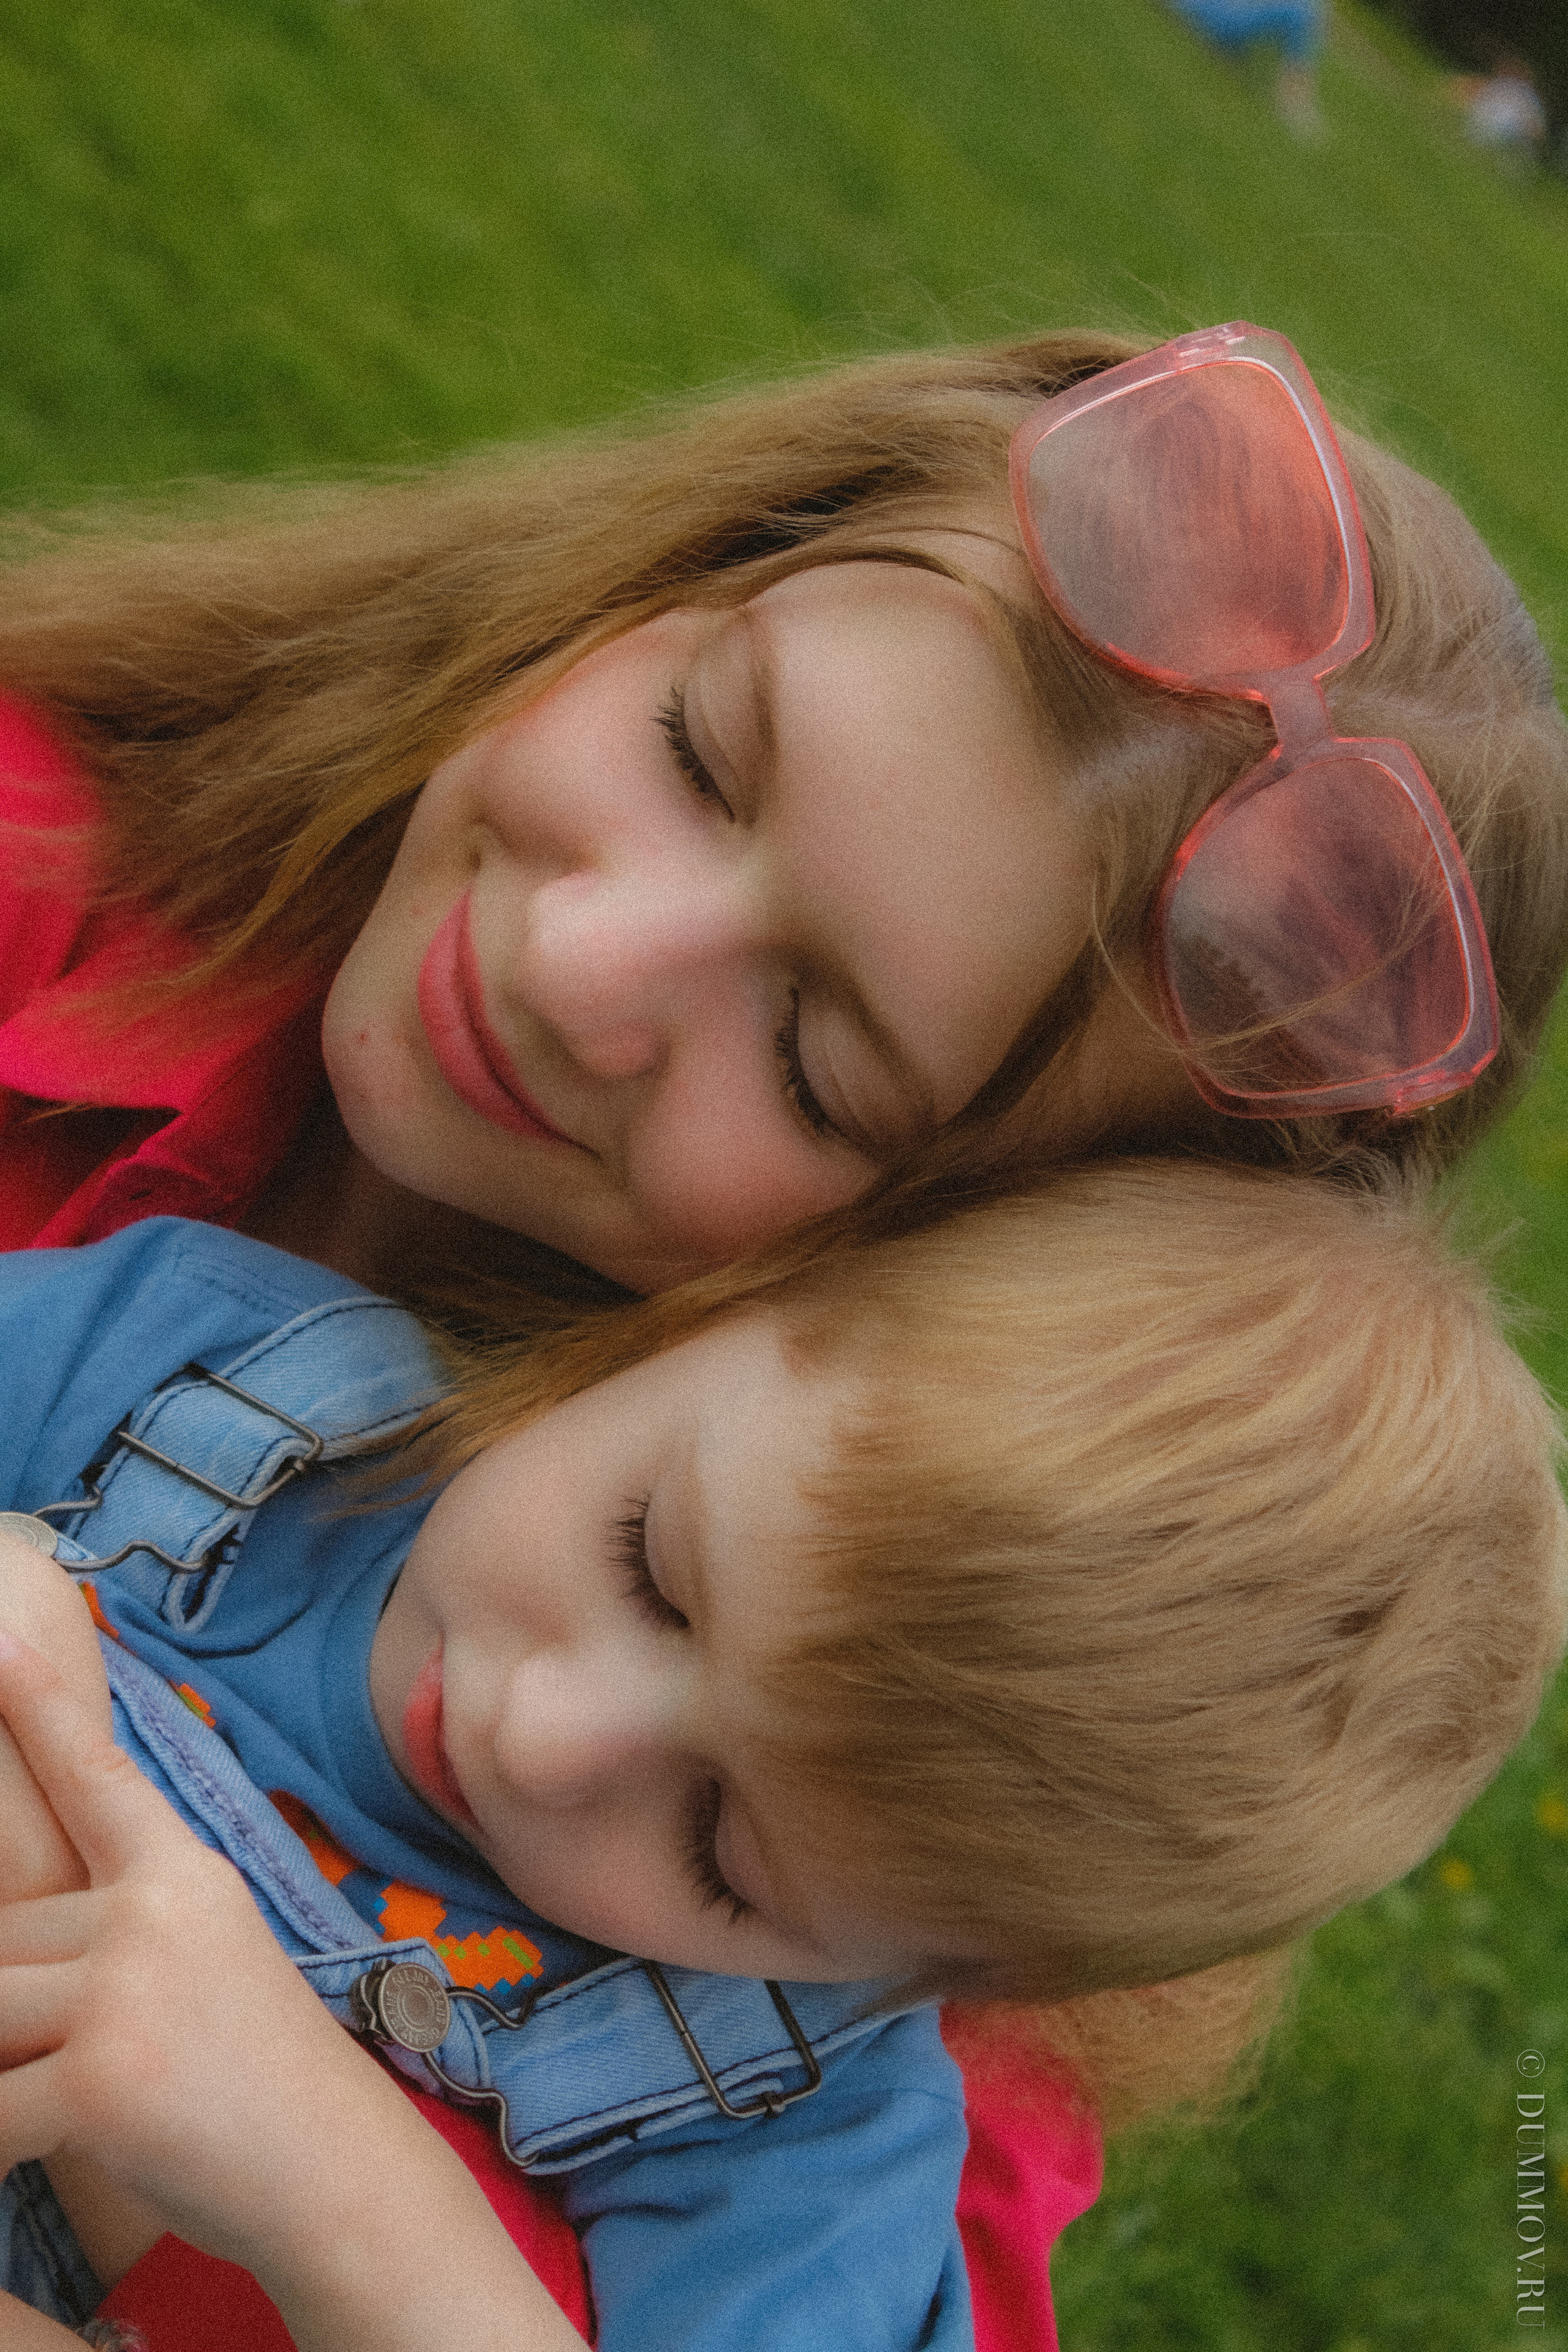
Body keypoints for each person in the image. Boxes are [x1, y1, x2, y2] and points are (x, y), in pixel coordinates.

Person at [1, 318, 1566, 2337]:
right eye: (701, 750)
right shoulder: (203, 1335)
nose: (579, 959)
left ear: (950, 1269)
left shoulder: (913, 1897)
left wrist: (325, 2181)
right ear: (690, 570)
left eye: (822, 1069)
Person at [0, 1159, 1561, 2350]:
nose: (537, 1734)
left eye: (719, 1854)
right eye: (651, 1566)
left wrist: (334, 2183)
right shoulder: (217, 1385)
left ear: (928, 1972)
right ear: (731, 1306)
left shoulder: (787, 2120)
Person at [1166, 1, 1327, 137]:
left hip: (1217, 14)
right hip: (1217, 17)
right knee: (1301, 14)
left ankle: (1294, 95)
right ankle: (1292, 97)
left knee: (1304, 11)